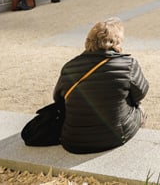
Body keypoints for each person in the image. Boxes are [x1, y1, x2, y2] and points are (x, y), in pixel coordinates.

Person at [54, 17, 148, 154]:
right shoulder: (128, 64)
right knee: (141, 110)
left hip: (73, 140)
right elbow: (140, 93)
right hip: (114, 137)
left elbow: (58, 98)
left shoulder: (69, 66)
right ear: (116, 42)